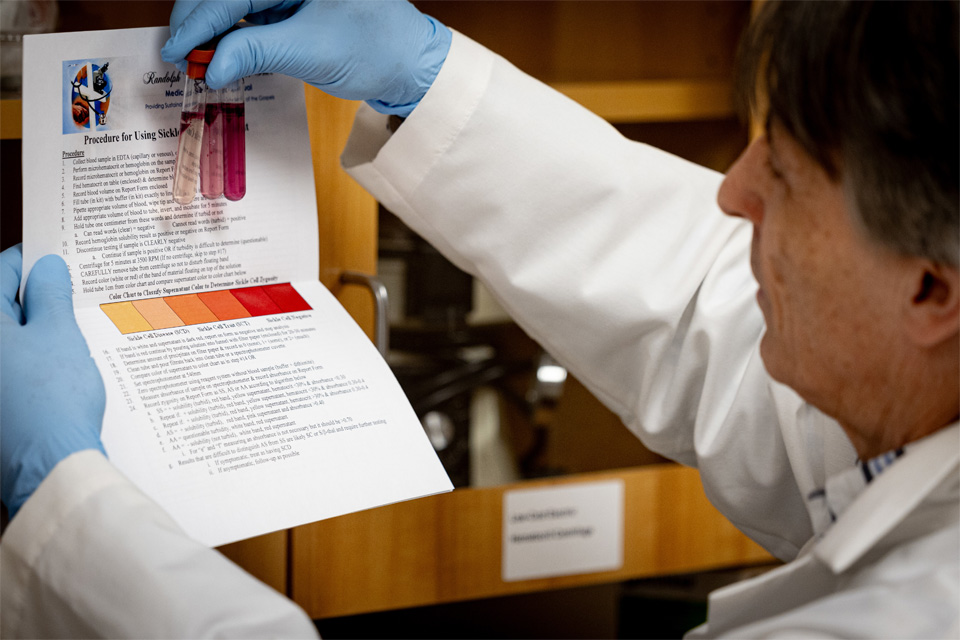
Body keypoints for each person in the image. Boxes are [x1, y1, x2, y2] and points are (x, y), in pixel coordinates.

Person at [2, 0, 957, 636]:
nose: (732, 192)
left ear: (932, 289)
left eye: (783, 173)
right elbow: (704, 311)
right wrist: (427, 80)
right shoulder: (915, 364)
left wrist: (66, 502)